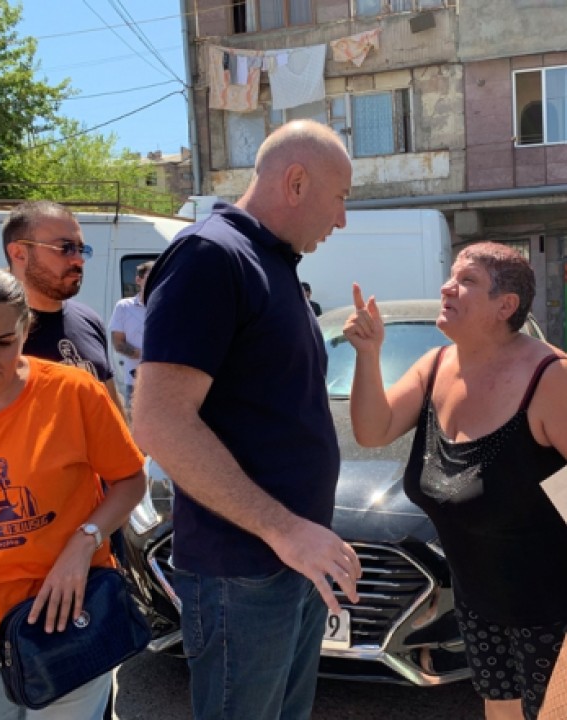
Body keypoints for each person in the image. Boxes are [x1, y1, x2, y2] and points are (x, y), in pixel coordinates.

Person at [132, 120, 362, 720]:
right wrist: (284, 529)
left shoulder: (271, 262)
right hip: (245, 571)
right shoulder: (212, 255)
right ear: (296, 182)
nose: (341, 219)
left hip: (287, 562)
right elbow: (159, 422)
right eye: (340, 198)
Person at [343, 242, 567, 720]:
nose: (446, 288)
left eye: (466, 281)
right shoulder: (435, 366)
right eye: (451, 277)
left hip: (557, 611)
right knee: (501, 712)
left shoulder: (552, 380)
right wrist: (368, 355)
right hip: (478, 603)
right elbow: (373, 431)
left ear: (505, 306)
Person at [0, 265, 147, 719]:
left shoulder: (72, 393)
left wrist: (85, 540)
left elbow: (130, 479)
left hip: (72, 614)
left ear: (25, 328)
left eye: (3, 342)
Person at [0, 201, 125, 419]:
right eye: (65, 248)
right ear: (19, 253)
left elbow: (112, 410)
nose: (79, 259)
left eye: (81, 249)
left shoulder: (89, 320)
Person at [109, 260, 154, 417]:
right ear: (138, 280)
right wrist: (148, 356)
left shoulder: (166, 306)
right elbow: (118, 344)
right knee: (134, 425)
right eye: (149, 278)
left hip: (161, 381)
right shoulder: (124, 307)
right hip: (134, 382)